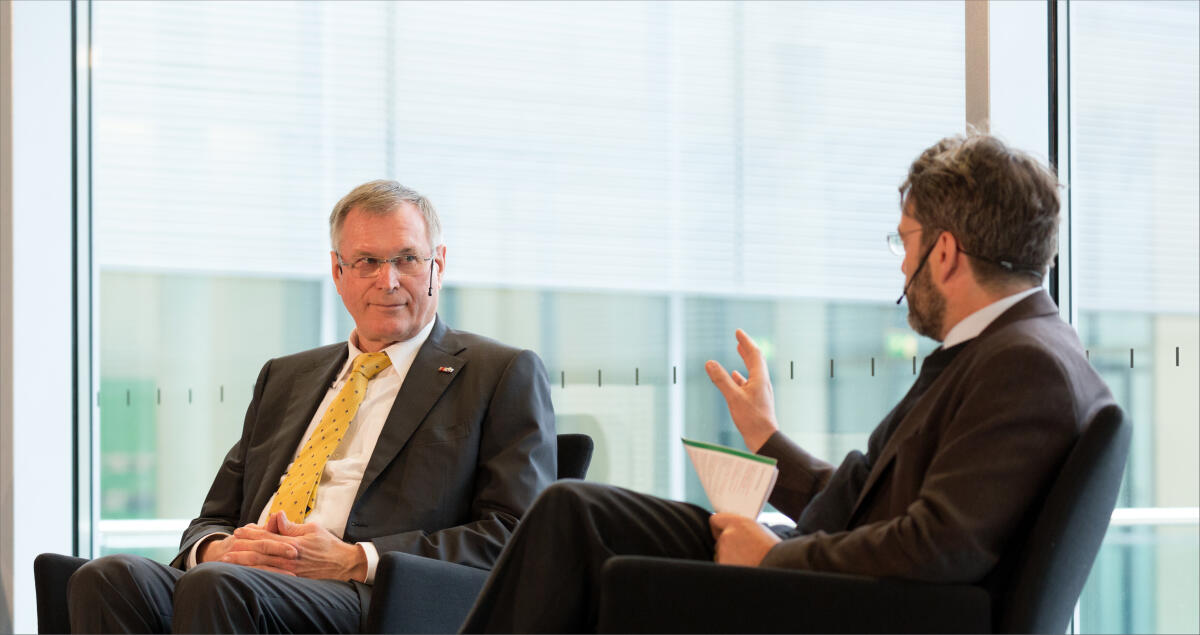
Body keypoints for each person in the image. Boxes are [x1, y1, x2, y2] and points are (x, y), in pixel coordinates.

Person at [460, 133, 1115, 633]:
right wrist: (766, 439)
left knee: (584, 539)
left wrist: (773, 561)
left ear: (944, 253)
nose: (905, 264)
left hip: (856, 606)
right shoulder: (1003, 348)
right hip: (849, 583)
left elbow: (938, 546)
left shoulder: (1023, 365)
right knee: (574, 512)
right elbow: (871, 505)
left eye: (906, 242)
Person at [68, 180, 557, 633]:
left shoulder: (499, 373)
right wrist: (222, 548)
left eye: (407, 258)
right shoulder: (286, 377)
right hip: (243, 579)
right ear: (338, 272)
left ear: (438, 265)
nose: (388, 281)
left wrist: (355, 557)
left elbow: (516, 535)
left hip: (375, 597)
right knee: (109, 576)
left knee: (217, 586)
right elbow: (214, 516)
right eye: (366, 261)